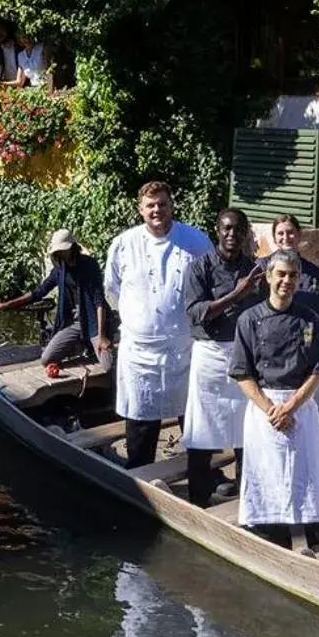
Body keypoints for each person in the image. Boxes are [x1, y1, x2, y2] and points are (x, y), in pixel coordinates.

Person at [229, 249, 319, 551]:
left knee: (308, 475)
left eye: (293, 275)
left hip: (300, 406)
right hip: (265, 409)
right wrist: (271, 410)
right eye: (281, 274)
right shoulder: (248, 320)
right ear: (268, 277)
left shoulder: (310, 320)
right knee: (267, 475)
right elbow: (242, 373)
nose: (286, 281)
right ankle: (270, 539)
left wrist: (292, 406)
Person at [104, 181, 213, 468]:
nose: (157, 210)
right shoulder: (123, 244)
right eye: (150, 205)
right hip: (140, 352)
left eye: (162, 204)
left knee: (193, 417)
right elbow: (112, 291)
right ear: (140, 209)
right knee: (141, 420)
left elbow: (211, 286)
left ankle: (204, 476)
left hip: (184, 347)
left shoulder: (196, 241)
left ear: (172, 205)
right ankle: (140, 476)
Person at [182, 209, 263, 508]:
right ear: (217, 230)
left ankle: (248, 504)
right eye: (227, 229)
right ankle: (196, 503)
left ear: (245, 234)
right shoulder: (200, 268)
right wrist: (237, 294)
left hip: (244, 356)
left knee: (247, 434)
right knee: (202, 434)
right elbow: (196, 312)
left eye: (238, 230)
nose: (232, 235)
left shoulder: (255, 270)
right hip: (210, 356)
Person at [0, 228, 109, 371]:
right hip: (73, 323)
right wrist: (7, 305)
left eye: (62, 250)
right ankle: (80, 344)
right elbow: (38, 292)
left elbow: (99, 302)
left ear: (72, 247)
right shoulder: (60, 270)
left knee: (107, 365)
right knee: (47, 359)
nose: (60, 253)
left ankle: (96, 341)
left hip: (92, 323)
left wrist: (102, 336)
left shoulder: (89, 265)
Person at [263, 214, 319, 327]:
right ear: (274, 238)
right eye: (280, 233)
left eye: (290, 232)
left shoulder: (315, 274)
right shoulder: (261, 268)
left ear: (299, 235)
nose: (286, 237)